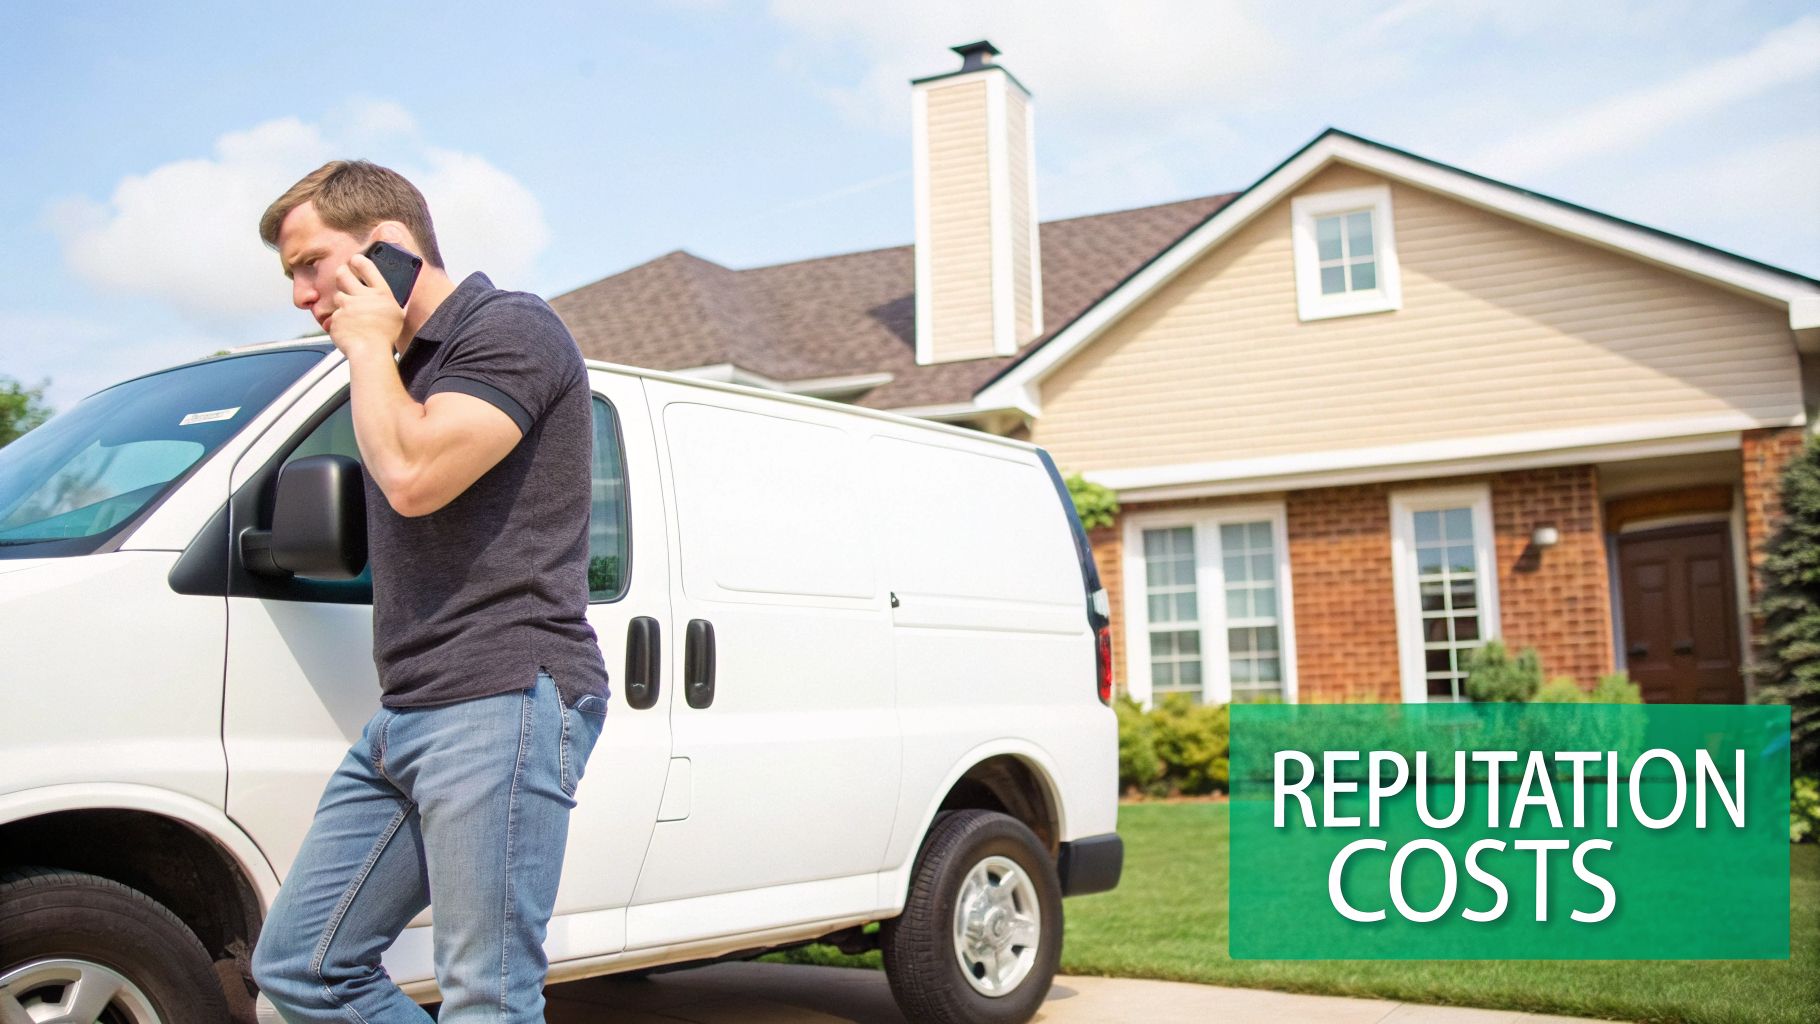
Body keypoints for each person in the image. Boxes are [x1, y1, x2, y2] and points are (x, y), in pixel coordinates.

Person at [248, 160, 611, 1022]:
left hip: (501, 693)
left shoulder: (511, 328)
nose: (301, 294)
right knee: (304, 966)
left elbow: (413, 477)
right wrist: (381, 353)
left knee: (486, 998)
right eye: (291, 276)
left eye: (310, 264)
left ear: (389, 249)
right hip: (407, 708)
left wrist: (370, 345)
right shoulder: (401, 369)